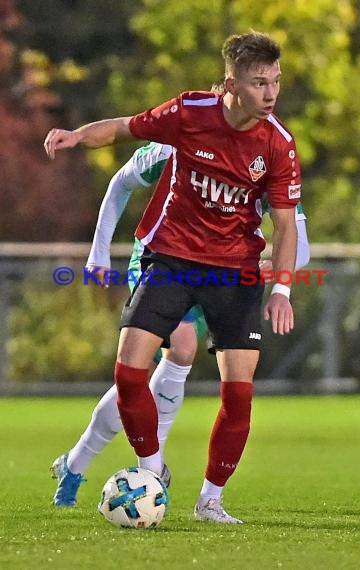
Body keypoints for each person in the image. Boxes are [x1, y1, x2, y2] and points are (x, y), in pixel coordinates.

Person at [45, 31, 302, 524]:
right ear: (231, 83)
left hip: (235, 270)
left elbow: (288, 225)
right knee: (129, 369)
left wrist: (284, 288)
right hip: (172, 258)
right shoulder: (191, 114)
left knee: (239, 392)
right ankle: (150, 471)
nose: (270, 93)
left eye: (275, 82)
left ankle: (211, 501)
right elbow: (123, 129)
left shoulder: (278, 144)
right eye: (258, 83)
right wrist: (79, 136)